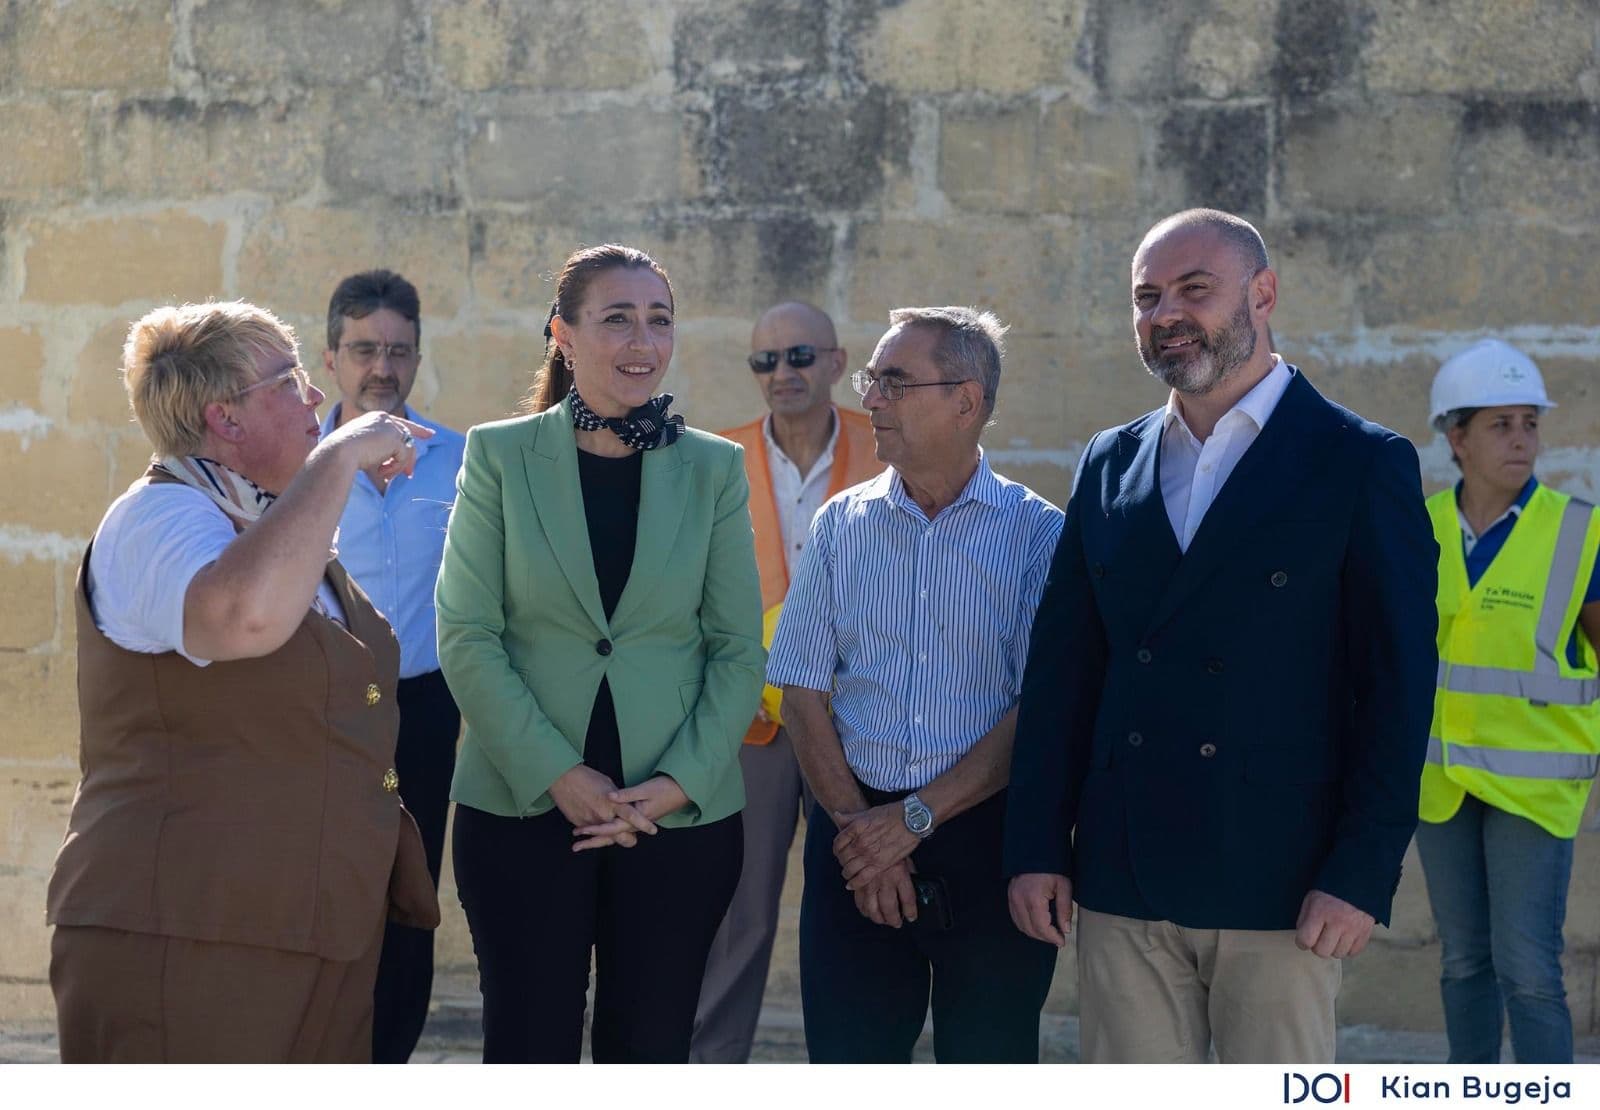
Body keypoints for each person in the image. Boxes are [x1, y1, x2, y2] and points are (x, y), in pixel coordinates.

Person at [1005, 208, 1438, 1064]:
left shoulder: (1359, 461)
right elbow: (1064, 672)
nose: (1167, 313)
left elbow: (1398, 688)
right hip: (1125, 874)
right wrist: (1036, 846)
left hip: (1282, 880)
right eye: (1147, 296)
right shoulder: (1108, 460)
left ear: (1264, 294)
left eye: (1195, 290)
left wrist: (1360, 875)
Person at [46, 300, 439, 1063]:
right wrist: (340, 456)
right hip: (186, 937)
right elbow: (242, 618)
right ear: (223, 418)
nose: (319, 401)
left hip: (311, 937)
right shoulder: (158, 518)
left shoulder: (266, 525)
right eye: (293, 381)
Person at [435, 243, 765, 1063]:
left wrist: (677, 784)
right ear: (563, 334)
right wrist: (559, 774)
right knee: (528, 1044)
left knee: (649, 1050)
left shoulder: (716, 470)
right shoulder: (499, 456)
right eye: (616, 318)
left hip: (677, 819)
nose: (641, 341)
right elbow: (466, 633)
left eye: (659, 320)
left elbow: (735, 649)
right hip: (523, 807)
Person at [767, 306, 1064, 1063]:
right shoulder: (840, 525)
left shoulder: (1039, 535)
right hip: (852, 835)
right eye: (873, 380)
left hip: (991, 847)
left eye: (895, 382)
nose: (871, 399)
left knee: (989, 1065)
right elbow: (800, 691)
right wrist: (866, 836)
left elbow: (1043, 708)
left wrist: (916, 820)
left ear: (967, 400)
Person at [692, 302, 884, 1063]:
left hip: (865, 717)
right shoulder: (716, 458)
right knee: (737, 916)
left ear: (837, 363)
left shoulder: (886, 444)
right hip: (754, 723)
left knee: (863, 906)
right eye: (764, 361)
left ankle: (856, 1062)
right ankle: (709, 1069)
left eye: (799, 356)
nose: (783, 374)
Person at [1416, 339, 1600, 1064]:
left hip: (1533, 787)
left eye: (1529, 422)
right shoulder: (1420, 530)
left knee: (1528, 971)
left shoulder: (1578, 531)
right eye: (1501, 424)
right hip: (1442, 784)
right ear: (1456, 438)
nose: (1521, 439)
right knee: (1463, 961)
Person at [319, 269, 466, 1063]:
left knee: (411, 888)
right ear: (332, 355)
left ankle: (392, 1061)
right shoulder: (295, 466)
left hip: (426, 707)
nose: (384, 367)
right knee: (322, 877)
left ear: (417, 356)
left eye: (399, 351)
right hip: (321, 704)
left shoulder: (463, 463)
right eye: (366, 349)